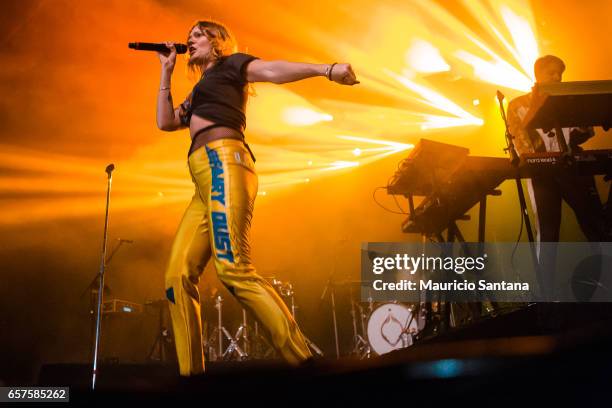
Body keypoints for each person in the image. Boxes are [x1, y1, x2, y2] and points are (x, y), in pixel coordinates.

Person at [156, 20, 359, 376]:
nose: (190, 39)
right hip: (201, 179)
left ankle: (306, 364)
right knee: (177, 276)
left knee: (233, 268)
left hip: (224, 161)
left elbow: (272, 70)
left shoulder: (232, 65)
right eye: (189, 36)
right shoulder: (200, 89)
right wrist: (166, 71)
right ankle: (191, 379)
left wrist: (326, 69)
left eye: (199, 34)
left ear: (219, 42)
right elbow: (166, 122)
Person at [507, 55, 607, 299]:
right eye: (552, 73)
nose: (557, 78)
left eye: (560, 73)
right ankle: (546, 293)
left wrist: (584, 123)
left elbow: (584, 133)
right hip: (543, 173)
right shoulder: (518, 104)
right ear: (538, 74)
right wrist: (540, 157)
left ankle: (605, 281)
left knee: (597, 226)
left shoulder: (568, 100)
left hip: (572, 167)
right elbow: (520, 142)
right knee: (548, 232)